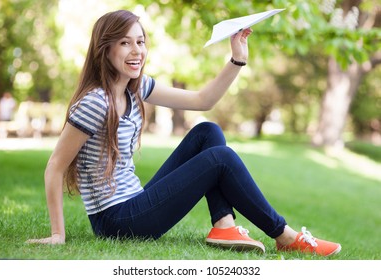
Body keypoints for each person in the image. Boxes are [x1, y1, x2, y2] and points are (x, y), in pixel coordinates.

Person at [27, 10, 341, 256]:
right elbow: (55, 165)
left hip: (134, 202)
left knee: (207, 132)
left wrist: (237, 58)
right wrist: (58, 234)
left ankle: (223, 225)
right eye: (125, 42)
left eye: (140, 41)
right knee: (220, 158)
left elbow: (202, 101)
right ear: (104, 49)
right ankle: (284, 236)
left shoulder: (137, 87)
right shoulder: (96, 103)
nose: (137, 50)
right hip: (116, 221)